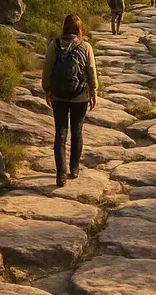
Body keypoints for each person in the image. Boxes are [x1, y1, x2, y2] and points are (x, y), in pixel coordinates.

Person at [42, 14, 98, 187]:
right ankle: (74, 168)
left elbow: (47, 69)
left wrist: (47, 90)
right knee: (77, 131)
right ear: (79, 29)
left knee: (60, 133)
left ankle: (61, 175)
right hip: (79, 96)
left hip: (58, 95)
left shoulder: (54, 45)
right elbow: (91, 70)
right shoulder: (86, 46)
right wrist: (94, 91)